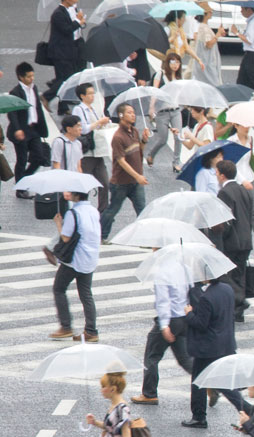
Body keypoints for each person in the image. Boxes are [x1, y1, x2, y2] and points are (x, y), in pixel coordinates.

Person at [131, 256, 193, 404]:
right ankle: (208, 382)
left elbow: (163, 302)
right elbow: (192, 291)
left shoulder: (162, 273)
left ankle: (149, 393)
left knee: (151, 356)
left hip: (169, 319)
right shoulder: (186, 268)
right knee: (184, 358)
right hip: (183, 317)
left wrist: (164, 326)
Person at [183, 279, 243, 429]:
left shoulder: (206, 297)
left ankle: (199, 417)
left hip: (208, 347)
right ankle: (247, 409)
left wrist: (189, 314)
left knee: (199, 381)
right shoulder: (227, 289)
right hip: (225, 342)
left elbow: (201, 324)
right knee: (222, 382)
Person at [49, 189, 100, 342]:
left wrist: (59, 223)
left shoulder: (73, 213)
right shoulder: (93, 210)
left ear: (76, 195)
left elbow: (65, 237)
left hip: (75, 259)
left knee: (59, 288)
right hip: (90, 257)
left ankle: (66, 326)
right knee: (86, 294)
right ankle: (91, 330)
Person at [101, 103, 150, 242]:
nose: (133, 115)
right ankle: (101, 236)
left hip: (135, 182)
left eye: (133, 112)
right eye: (129, 112)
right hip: (121, 183)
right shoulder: (118, 137)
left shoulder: (134, 131)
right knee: (112, 210)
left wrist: (144, 141)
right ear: (121, 116)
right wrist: (138, 176)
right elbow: (121, 161)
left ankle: (145, 239)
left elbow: (139, 151)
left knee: (143, 211)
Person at [216, 160, 254, 321]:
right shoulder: (243, 190)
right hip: (246, 239)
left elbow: (227, 220)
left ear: (222, 175)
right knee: (240, 275)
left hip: (233, 241)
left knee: (226, 275)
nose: (216, 176)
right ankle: (238, 312)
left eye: (217, 173)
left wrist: (220, 239)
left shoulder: (224, 193)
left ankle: (239, 300)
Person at [71, 83, 112, 216]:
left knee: (104, 183)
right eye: (89, 93)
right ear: (82, 96)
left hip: (98, 151)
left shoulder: (93, 109)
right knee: (84, 185)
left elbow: (96, 128)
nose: (92, 96)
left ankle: (102, 212)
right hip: (87, 153)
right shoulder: (79, 110)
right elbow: (82, 129)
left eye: (93, 93)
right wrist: (99, 122)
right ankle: (80, 211)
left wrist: (103, 122)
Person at [8, 63, 50, 192]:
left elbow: (37, 107)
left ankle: (23, 179)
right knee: (22, 159)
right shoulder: (15, 92)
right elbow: (12, 113)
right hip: (21, 130)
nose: (32, 79)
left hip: (34, 129)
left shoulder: (34, 88)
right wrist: (17, 129)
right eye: (28, 76)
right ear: (21, 77)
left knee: (39, 157)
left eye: (33, 76)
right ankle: (21, 189)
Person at [43, 0, 84, 115]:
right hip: (60, 52)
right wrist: (77, 21)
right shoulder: (58, 14)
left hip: (70, 51)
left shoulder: (71, 10)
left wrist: (80, 21)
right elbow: (67, 29)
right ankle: (47, 96)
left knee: (67, 78)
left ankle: (63, 106)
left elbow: (76, 29)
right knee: (65, 79)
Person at [191, 3, 224, 85]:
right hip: (207, 62)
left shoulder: (204, 26)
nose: (211, 13)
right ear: (205, 14)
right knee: (213, 84)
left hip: (208, 61)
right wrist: (218, 34)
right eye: (210, 12)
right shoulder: (203, 27)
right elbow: (209, 44)